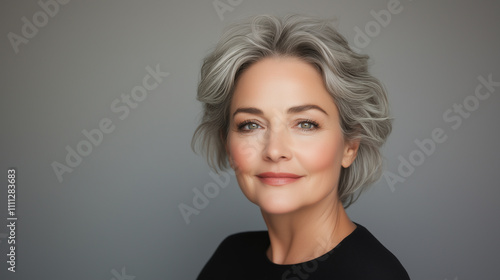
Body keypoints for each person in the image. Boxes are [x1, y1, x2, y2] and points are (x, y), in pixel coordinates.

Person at [192, 14, 410, 280]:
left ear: (350, 146)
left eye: (306, 124)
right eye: (250, 125)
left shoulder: (372, 276)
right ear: (227, 142)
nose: (274, 150)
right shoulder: (229, 258)